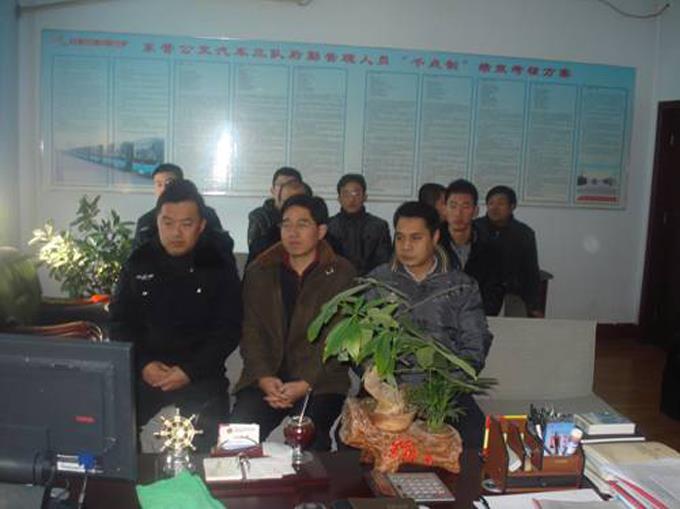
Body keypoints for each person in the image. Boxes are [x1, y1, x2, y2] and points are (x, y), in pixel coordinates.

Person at [110, 179, 242, 452]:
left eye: (186, 224)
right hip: (146, 374)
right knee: (112, 437)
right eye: (168, 223)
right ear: (156, 222)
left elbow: (229, 329)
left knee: (205, 450)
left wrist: (189, 371)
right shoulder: (139, 261)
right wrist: (143, 364)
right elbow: (120, 323)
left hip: (200, 376)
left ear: (201, 226)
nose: (176, 233)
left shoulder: (217, 264)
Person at [231, 194, 356, 450]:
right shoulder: (259, 270)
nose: (292, 232)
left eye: (302, 224)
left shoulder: (342, 273)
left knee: (310, 441)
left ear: (321, 231)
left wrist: (306, 383)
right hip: (265, 379)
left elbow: (338, 338)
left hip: (320, 382)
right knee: (235, 441)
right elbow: (251, 331)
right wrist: (264, 377)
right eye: (286, 224)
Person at [368, 201, 493, 447]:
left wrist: (443, 390)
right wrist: (383, 384)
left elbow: (475, 344)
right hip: (389, 388)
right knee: (353, 440)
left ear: (435, 237)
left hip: (443, 389)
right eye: (400, 237)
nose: (406, 246)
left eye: (416, 238)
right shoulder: (377, 282)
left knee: (476, 438)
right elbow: (363, 343)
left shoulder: (461, 285)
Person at [475, 186, 543, 317]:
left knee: (514, 327)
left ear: (512, 206)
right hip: (480, 295)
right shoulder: (475, 228)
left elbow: (531, 270)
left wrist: (534, 305)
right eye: (491, 203)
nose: (494, 208)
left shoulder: (524, 233)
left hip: (513, 294)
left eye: (500, 203)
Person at [438, 179, 504, 316]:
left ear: (475, 211)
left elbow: (494, 293)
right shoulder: (431, 244)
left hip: (477, 319)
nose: (458, 213)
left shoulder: (490, 246)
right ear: (444, 209)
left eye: (466, 206)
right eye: (453, 206)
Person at [132, 163, 223, 250]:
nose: (163, 189)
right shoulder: (146, 221)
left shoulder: (207, 215)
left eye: (168, 183)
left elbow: (222, 250)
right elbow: (137, 257)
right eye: (159, 184)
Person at [327, 173, 392, 275]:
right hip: (337, 281)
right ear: (339, 198)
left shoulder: (379, 226)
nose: (351, 199)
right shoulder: (328, 226)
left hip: (371, 281)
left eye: (356, 194)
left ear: (365, 197)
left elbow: (383, 263)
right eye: (346, 194)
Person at [246, 179, 311, 265]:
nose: (290, 207)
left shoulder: (323, 239)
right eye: (285, 202)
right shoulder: (263, 245)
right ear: (278, 204)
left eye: (296, 202)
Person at [247, 166, 302, 257]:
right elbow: (255, 253)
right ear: (272, 190)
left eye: (290, 185)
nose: (285, 190)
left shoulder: (309, 213)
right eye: (280, 185)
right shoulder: (259, 216)